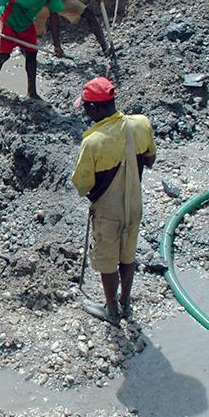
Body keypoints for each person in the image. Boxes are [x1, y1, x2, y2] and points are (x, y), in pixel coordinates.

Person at [71, 77, 156, 321]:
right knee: (128, 255)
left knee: (107, 260)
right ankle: (125, 302)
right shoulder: (140, 124)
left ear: (94, 108)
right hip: (134, 202)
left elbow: (82, 184)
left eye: (86, 107)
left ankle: (111, 310)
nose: (86, 111)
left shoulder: (92, 141)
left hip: (109, 210)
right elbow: (149, 160)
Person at [0, 0, 64, 100]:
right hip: (8, 21)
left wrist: (57, 45)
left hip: (26, 23)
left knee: (32, 55)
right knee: (4, 56)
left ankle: (32, 92)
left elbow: (54, 16)